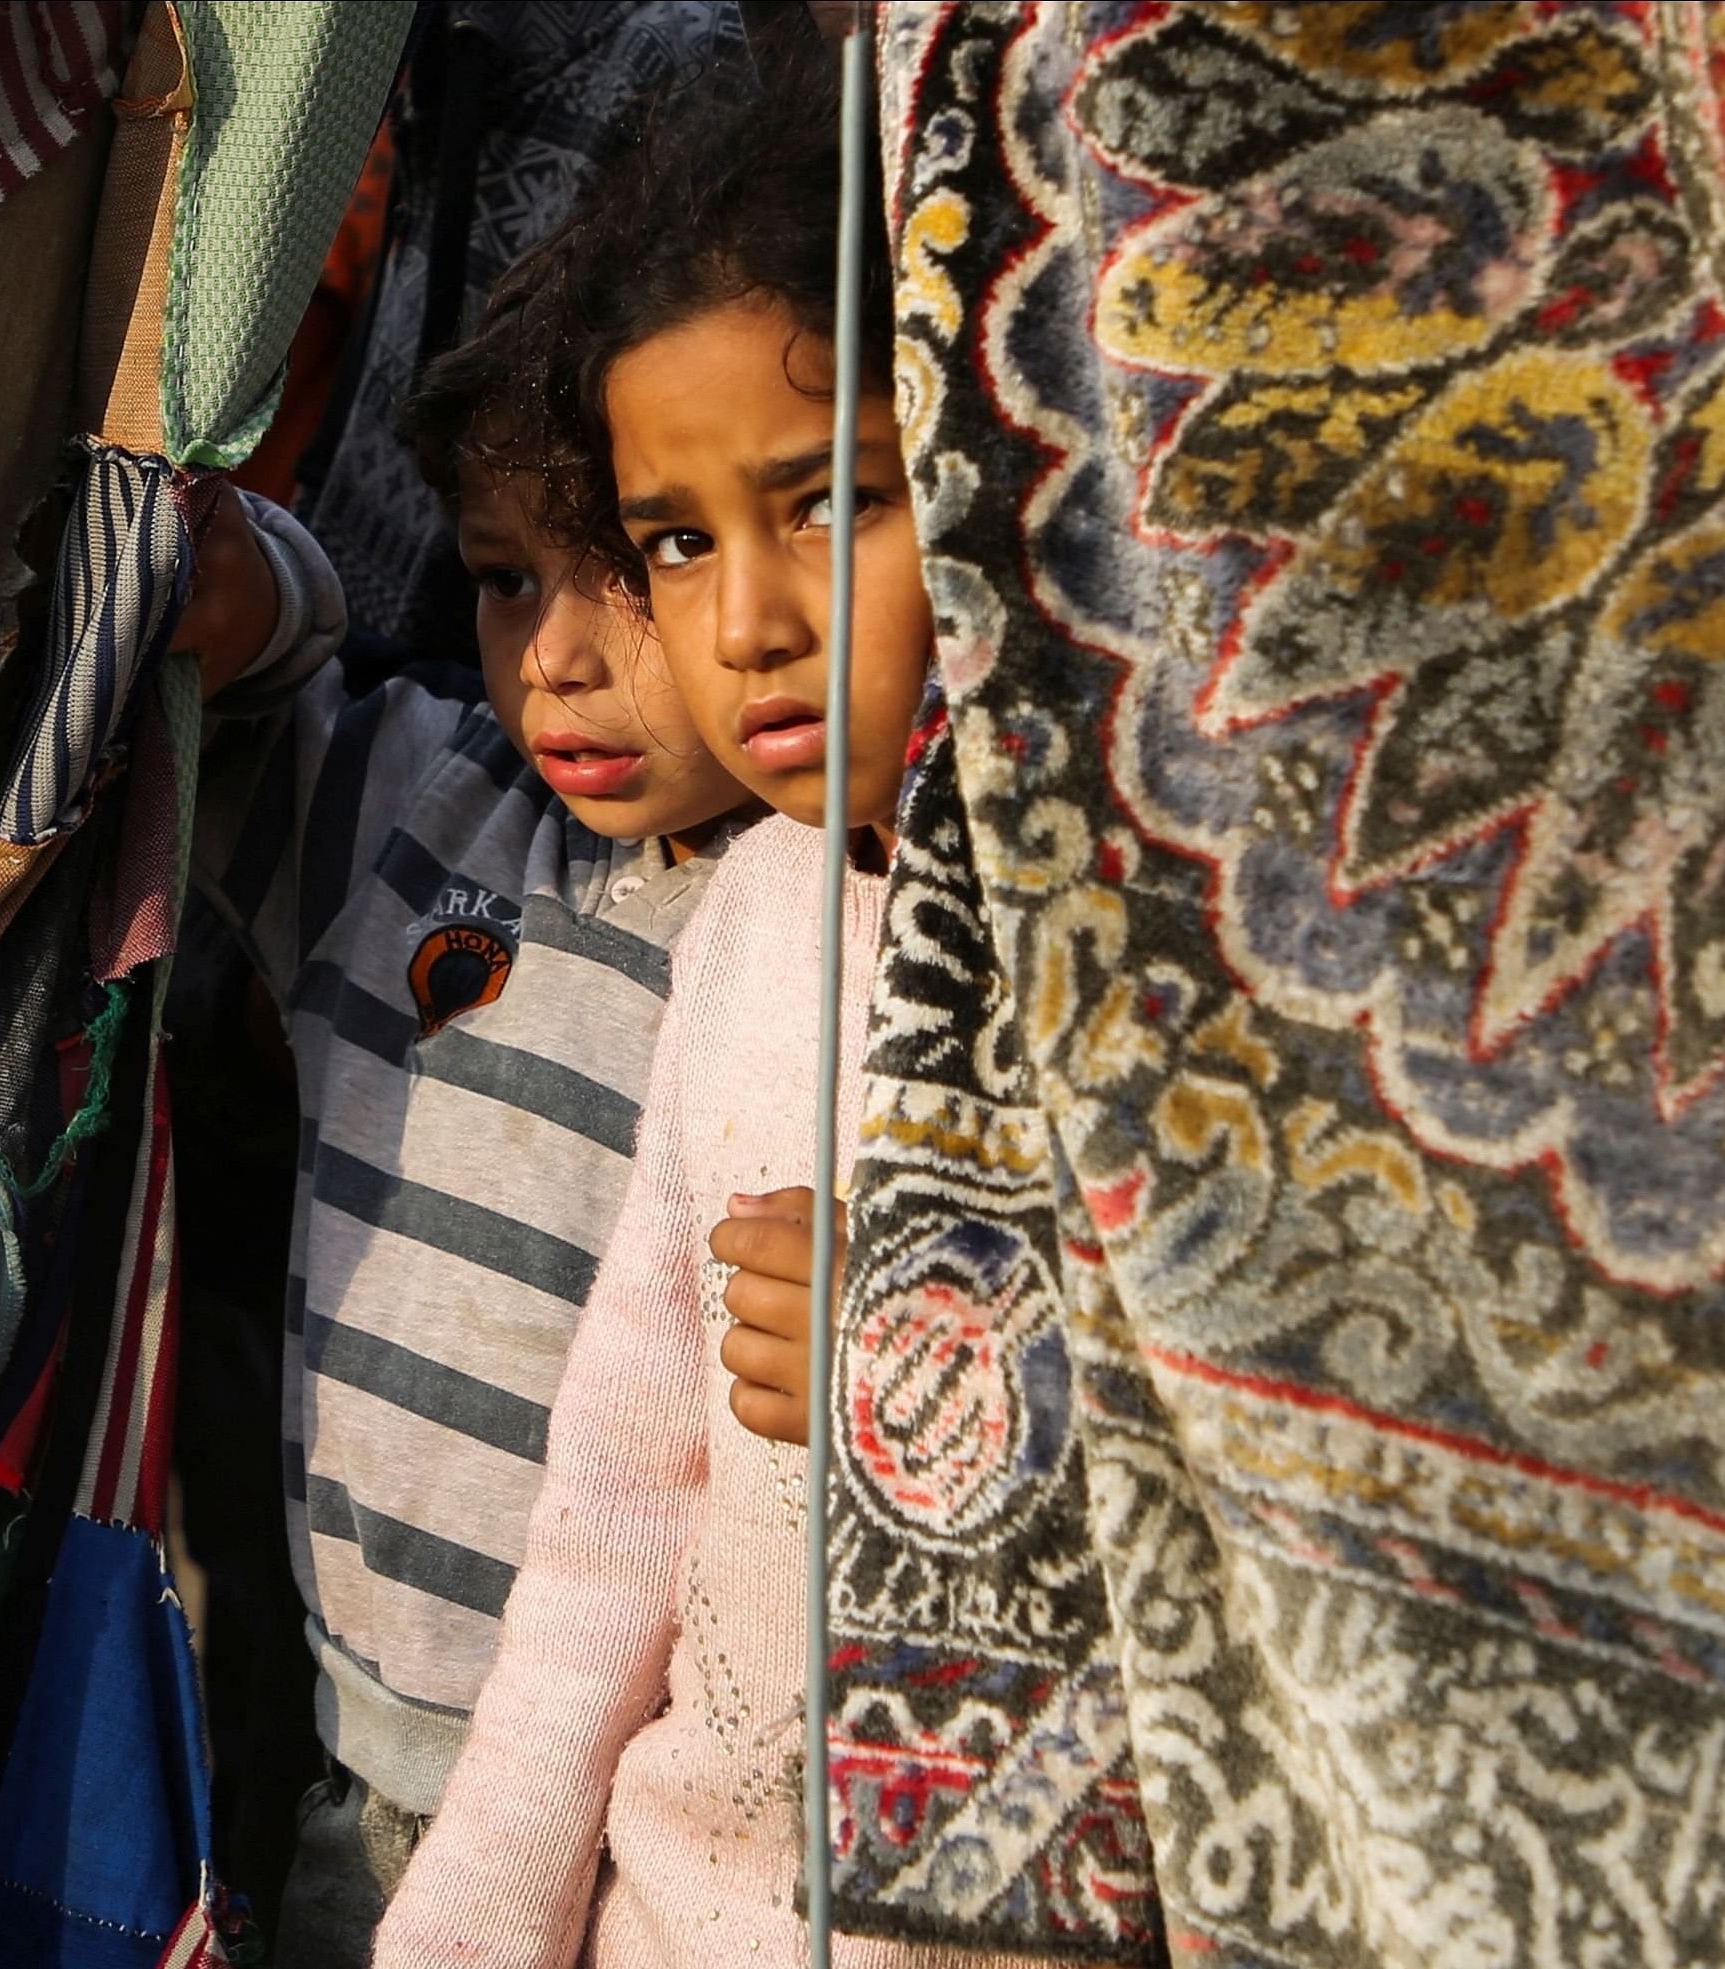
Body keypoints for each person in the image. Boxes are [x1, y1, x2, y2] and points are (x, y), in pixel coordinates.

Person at [370, 53, 1038, 1969]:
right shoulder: (751, 922)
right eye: (677, 538)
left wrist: (928, 1350)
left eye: (836, 502)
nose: (745, 620)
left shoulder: (1128, 956)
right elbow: (617, 1499)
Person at [182, 236, 761, 1962]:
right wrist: (248, 589)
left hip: (668, 1813)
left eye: (639, 571)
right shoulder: (422, 820)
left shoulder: (834, 922)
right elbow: (255, 665)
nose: (560, 660)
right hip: (366, 1776)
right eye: (510, 580)